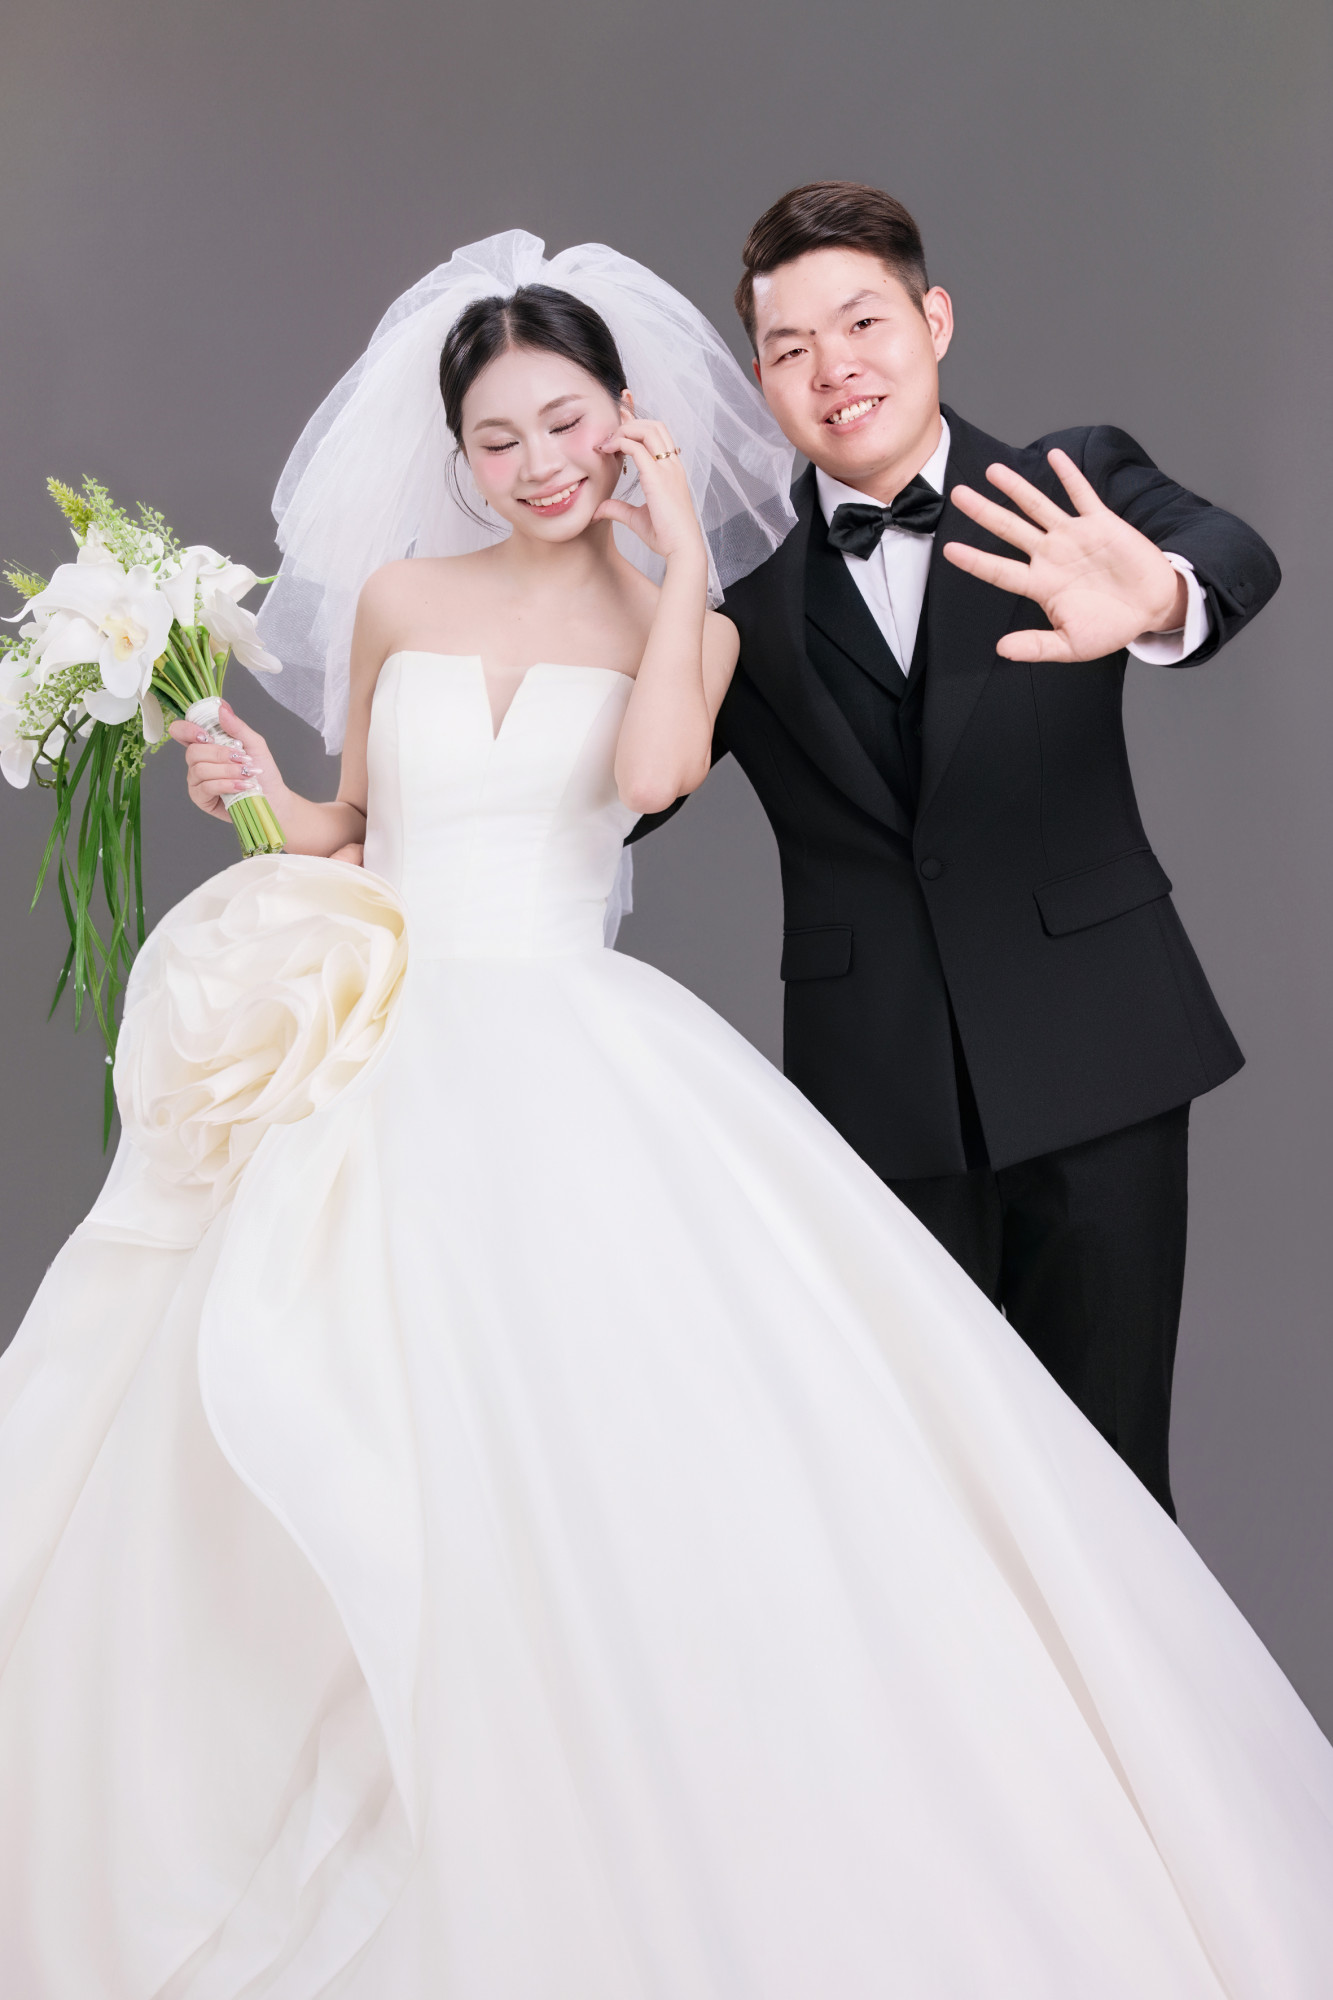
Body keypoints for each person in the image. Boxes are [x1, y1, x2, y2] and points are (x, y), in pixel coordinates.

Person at [0, 233, 1328, 1998]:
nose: (537, 462)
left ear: (627, 417)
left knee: (733, 1478)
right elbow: (356, 829)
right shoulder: (396, 597)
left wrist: (688, 549)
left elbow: (644, 780)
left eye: (565, 422)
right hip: (393, 1051)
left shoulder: (702, 615)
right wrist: (255, 788)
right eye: (497, 438)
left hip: (618, 1061)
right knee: (342, 1431)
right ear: (457, 457)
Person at [633, 182, 1282, 1519]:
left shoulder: (1067, 482)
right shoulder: (735, 591)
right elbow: (625, 799)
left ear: (933, 320)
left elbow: (1229, 552)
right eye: (790, 347)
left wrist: (1155, 596)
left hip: (1102, 1059)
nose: (833, 367)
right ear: (758, 382)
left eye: (862, 322)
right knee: (924, 1515)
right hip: (877, 1101)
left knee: (1114, 1491)